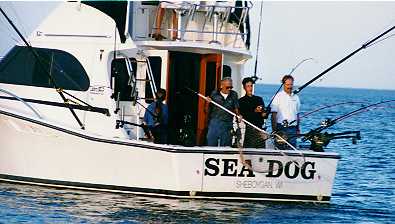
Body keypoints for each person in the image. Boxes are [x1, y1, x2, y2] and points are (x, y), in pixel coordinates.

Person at [206, 77, 240, 147]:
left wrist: (238, 115)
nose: (230, 89)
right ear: (221, 86)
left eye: (231, 87)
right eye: (228, 87)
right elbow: (206, 110)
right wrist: (207, 102)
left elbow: (236, 108)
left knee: (226, 147)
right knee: (211, 145)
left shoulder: (234, 94)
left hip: (227, 123)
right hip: (215, 122)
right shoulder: (214, 93)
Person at [271, 75, 301, 149]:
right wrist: (274, 130)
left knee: (292, 149)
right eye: (287, 84)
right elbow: (273, 115)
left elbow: (297, 114)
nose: (290, 86)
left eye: (291, 84)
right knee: (280, 148)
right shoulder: (277, 96)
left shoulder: (296, 97)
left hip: (293, 129)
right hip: (281, 128)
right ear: (283, 84)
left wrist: (298, 128)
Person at [239, 77, 268, 148]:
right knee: (249, 152)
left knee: (261, 152)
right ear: (244, 87)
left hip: (260, 129)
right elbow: (245, 115)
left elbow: (264, 115)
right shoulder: (241, 101)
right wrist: (255, 111)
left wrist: (264, 114)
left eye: (251, 86)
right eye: (248, 86)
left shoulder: (259, 99)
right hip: (249, 130)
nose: (250, 88)